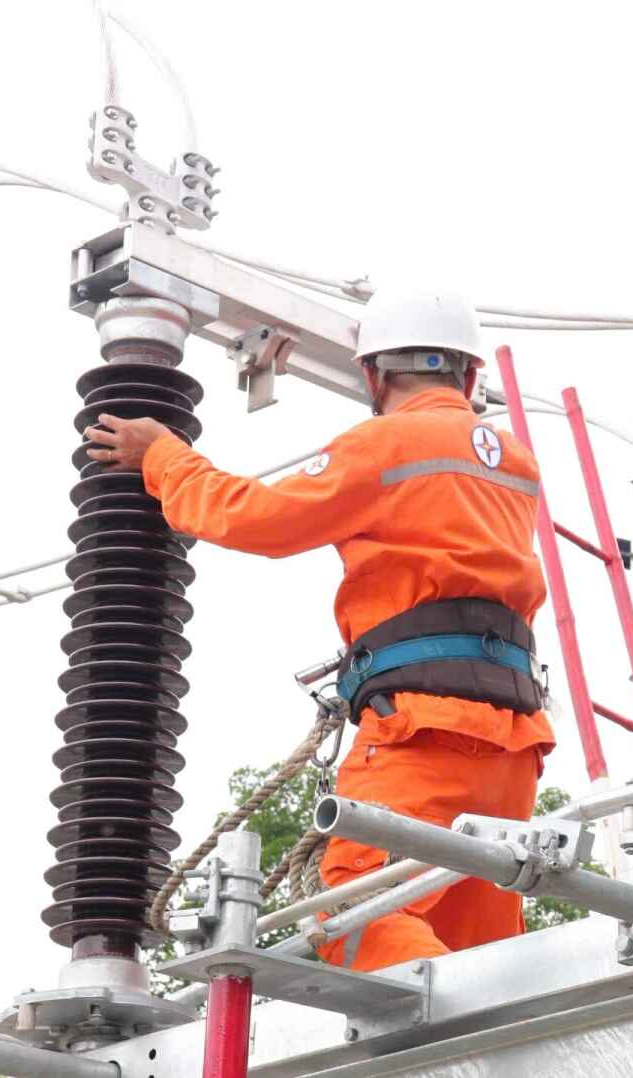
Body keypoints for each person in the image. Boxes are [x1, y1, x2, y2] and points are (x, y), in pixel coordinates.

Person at [84, 287, 554, 972]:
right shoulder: (515, 464)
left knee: (356, 914)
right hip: (513, 744)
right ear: (471, 375)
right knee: (472, 943)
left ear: (374, 376)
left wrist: (164, 458)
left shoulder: (386, 444)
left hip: (422, 728)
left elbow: (256, 518)